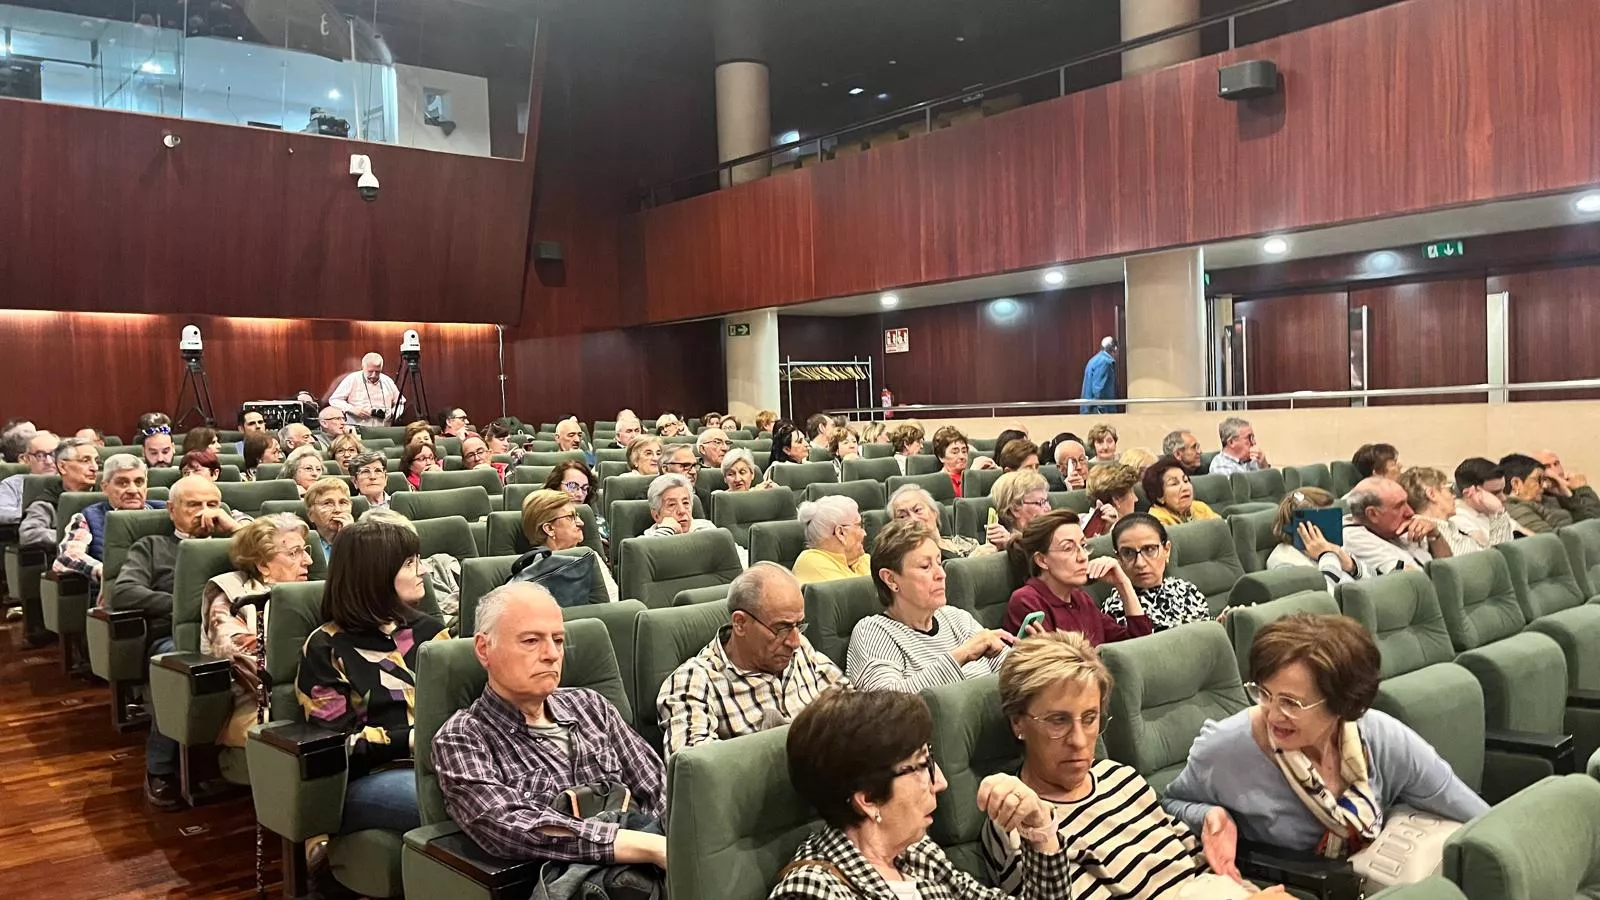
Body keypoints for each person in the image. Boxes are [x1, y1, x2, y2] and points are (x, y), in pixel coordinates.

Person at [1162, 614, 1488, 865]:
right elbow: (1169, 806)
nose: (1273, 715)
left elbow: (1474, 814)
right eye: (1264, 694)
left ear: (1340, 703)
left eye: (1291, 703)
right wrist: (1209, 815)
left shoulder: (1380, 736)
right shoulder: (1225, 748)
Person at [984, 632, 1284, 899]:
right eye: (1057, 721)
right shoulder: (1019, 820)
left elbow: (1203, 868)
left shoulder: (1121, 777)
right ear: (1018, 724)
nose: (1078, 740)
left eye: (1089, 719)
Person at [432, 583, 667, 866]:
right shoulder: (463, 737)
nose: (552, 654)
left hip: (654, 869)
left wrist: (671, 844)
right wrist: (646, 846)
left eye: (557, 640)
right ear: (484, 649)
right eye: (531, 641)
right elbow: (508, 826)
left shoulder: (591, 706)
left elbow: (658, 787)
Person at [771, 686, 1072, 900]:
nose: (939, 782)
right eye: (920, 766)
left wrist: (1039, 827)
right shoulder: (811, 892)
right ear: (868, 798)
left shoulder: (916, 854)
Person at [297, 518, 447, 834]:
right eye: (409, 564)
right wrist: (410, 739)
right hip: (377, 774)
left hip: (447, 764)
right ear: (374, 575)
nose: (423, 572)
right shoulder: (327, 646)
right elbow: (334, 742)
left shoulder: (433, 633)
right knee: (456, 804)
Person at [109, 475, 240, 810]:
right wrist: (184, 607)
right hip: (171, 636)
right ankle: (161, 767)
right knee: (182, 670)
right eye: (193, 505)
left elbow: (271, 552)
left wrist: (232, 528)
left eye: (212, 504)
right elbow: (123, 591)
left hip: (231, 633)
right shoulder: (152, 546)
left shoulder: (233, 546)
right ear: (171, 510)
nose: (204, 512)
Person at [656, 562, 842, 757]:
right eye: (781, 628)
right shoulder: (696, 680)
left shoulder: (799, 648)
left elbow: (854, 710)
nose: (794, 641)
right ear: (740, 623)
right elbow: (693, 769)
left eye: (799, 625)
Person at [847, 519, 1013, 692]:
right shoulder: (874, 632)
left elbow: (1009, 671)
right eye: (925, 566)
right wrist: (961, 655)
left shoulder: (956, 618)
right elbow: (887, 705)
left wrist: (1034, 653)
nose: (941, 574)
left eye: (939, 563)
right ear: (891, 579)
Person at [202, 514, 311, 748]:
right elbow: (248, 662)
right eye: (295, 553)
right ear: (262, 564)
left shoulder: (316, 593)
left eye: (305, 550)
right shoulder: (230, 596)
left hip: (321, 699)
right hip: (260, 706)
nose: (309, 561)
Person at [1003, 508, 1151, 645]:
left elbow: (1136, 645)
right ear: (1042, 560)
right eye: (1068, 548)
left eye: (1083, 546)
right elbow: (1060, 668)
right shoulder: (1026, 601)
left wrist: (1123, 584)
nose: (1082, 557)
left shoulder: (1080, 598)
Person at [54, 454, 165, 587]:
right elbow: (67, 558)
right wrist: (103, 571)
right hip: (116, 592)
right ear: (105, 487)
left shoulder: (166, 512)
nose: (133, 490)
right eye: (122, 483)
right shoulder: (88, 517)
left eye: (139, 482)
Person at [1102, 514, 1209, 631]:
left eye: (1149, 549)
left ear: (1167, 550)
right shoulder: (1115, 610)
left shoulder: (1186, 590)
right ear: (1118, 559)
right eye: (1128, 553)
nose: (1140, 563)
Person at [519, 489, 618, 601]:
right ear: (549, 529)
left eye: (577, 515)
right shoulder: (531, 571)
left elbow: (614, 603)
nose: (581, 522)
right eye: (571, 517)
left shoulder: (590, 556)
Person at [1343, 476, 1450, 572]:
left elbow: (1449, 568)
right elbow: (1413, 580)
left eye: (1406, 502)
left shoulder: (1396, 526)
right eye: (1399, 506)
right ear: (1373, 514)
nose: (1410, 512)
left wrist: (1434, 535)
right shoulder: (1354, 539)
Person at [1266, 488, 1365, 591]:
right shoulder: (1283, 562)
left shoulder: (1332, 545)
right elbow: (1324, 596)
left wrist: (1352, 566)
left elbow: (1375, 581)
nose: (1333, 525)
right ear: (1304, 526)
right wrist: (1326, 555)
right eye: (1327, 519)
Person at [19, 438, 98, 562]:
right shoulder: (48, 502)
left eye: (96, 461)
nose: (95, 467)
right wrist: (73, 538)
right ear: (62, 466)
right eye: (85, 461)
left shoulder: (107, 495)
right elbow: (28, 533)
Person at [1397, 467, 1494, 557]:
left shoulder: (1451, 525)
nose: (1454, 496)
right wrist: (1498, 513)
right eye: (1449, 490)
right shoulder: (1425, 535)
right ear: (1432, 494)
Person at [888, 483, 988, 559]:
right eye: (902, 516)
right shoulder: (912, 560)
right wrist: (973, 563)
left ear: (934, 512)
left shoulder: (964, 541)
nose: (913, 519)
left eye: (917, 510)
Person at [793, 496, 871, 584]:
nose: (864, 533)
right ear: (840, 533)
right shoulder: (811, 562)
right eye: (859, 525)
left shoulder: (862, 559)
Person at [1450, 458, 1521, 543]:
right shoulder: (1459, 521)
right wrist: (1498, 513)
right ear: (1469, 493)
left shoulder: (1488, 510)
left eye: (1503, 490)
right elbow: (1496, 553)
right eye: (1495, 493)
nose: (1503, 498)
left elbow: (1529, 537)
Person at [0, 429, 59, 524]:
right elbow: (2, 512)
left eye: (54, 454)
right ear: (26, 459)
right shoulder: (12, 484)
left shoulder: (71, 482)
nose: (49, 461)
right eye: (40, 455)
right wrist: (37, 516)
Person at [329, 353, 404, 426]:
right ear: (363, 367)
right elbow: (334, 400)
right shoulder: (352, 379)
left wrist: (394, 414)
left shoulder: (387, 381)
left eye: (377, 371)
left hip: (384, 428)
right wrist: (353, 410)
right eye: (370, 371)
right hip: (358, 427)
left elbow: (401, 402)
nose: (374, 375)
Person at [1143, 456, 1220, 527]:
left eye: (1186, 480)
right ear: (1159, 496)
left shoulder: (1200, 507)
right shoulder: (1157, 521)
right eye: (1174, 484)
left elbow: (1222, 528)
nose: (1185, 487)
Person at [988, 470, 1052, 552]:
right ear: (1015, 509)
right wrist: (1012, 544)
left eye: (1046, 501)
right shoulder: (1002, 545)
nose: (1048, 508)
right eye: (1040, 502)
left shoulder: (1051, 534)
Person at [1531, 449, 1600, 524]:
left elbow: (1596, 518)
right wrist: (1583, 488)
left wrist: (1574, 491)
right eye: (1547, 466)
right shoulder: (1542, 499)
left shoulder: (1572, 488)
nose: (1556, 470)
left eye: (1556, 464)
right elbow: (1591, 523)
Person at [642, 473, 718, 538]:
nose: (682, 511)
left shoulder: (707, 529)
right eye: (672, 505)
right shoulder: (645, 542)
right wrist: (667, 530)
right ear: (656, 516)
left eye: (685, 503)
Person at [304, 477, 355, 561]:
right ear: (310, 515)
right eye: (327, 503)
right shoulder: (304, 546)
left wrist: (349, 538)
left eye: (343, 502)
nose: (338, 509)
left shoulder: (365, 543)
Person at [1083, 463, 1138, 539]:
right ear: (1116, 499)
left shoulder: (1080, 522)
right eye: (1131, 493)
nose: (1136, 499)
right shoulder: (1129, 535)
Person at [1081, 336, 1118, 415]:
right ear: (1115, 349)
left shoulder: (1094, 360)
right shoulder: (1105, 362)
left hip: (1088, 409)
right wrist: (1103, 412)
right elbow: (1099, 390)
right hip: (1096, 411)